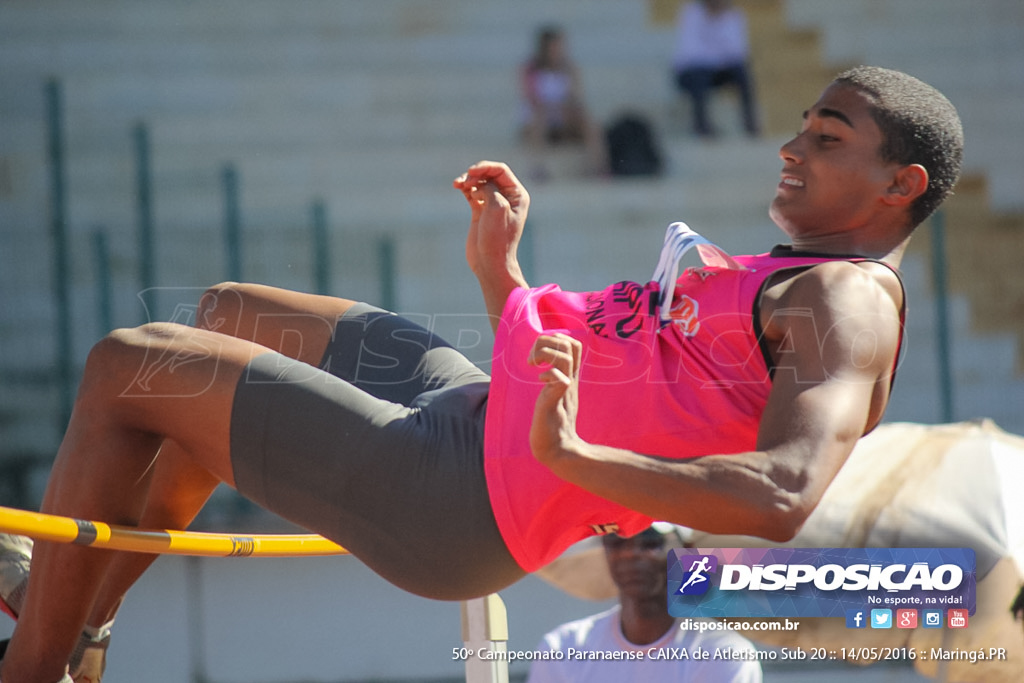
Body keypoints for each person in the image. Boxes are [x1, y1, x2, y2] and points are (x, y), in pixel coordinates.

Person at [0, 65, 963, 682]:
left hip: (462, 494)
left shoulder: (846, 302)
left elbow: (784, 493)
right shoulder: (784, 271)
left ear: (900, 184)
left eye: (828, 138)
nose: (792, 146)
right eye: (801, 126)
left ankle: (32, 664)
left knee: (131, 367)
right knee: (228, 311)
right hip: (468, 396)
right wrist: (500, 273)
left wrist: (574, 454)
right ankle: (81, 627)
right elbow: (621, 368)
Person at [525, 525, 762, 682]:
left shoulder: (722, 653)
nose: (631, 553)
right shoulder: (563, 649)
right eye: (616, 541)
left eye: (650, 541)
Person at [519, 25, 607, 177]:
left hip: (563, 119)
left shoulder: (570, 69)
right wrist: (551, 109)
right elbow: (531, 98)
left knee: (589, 123)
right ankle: (538, 168)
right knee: (539, 118)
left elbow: (576, 97)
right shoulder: (530, 70)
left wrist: (565, 109)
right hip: (538, 120)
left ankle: (599, 169)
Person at [671, 0, 760, 138]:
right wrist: (719, 56)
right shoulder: (692, 13)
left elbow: (739, 52)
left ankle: (750, 124)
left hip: (717, 70)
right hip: (691, 72)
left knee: (741, 72)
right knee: (699, 76)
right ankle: (702, 126)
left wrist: (717, 57)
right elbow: (692, 53)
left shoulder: (734, 15)